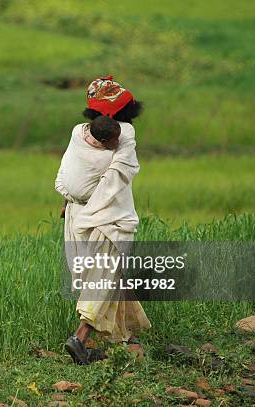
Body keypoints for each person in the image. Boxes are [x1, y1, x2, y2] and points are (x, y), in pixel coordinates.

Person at [55, 75, 150, 365]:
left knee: (109, 275)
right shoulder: (126, 137)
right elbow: (110, 178)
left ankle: (126, 338)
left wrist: (71, 199)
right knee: (104, 276)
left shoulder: (77, 133)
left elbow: (72, 175)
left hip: (78, 213)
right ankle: (80, 337)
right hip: (108, 219)